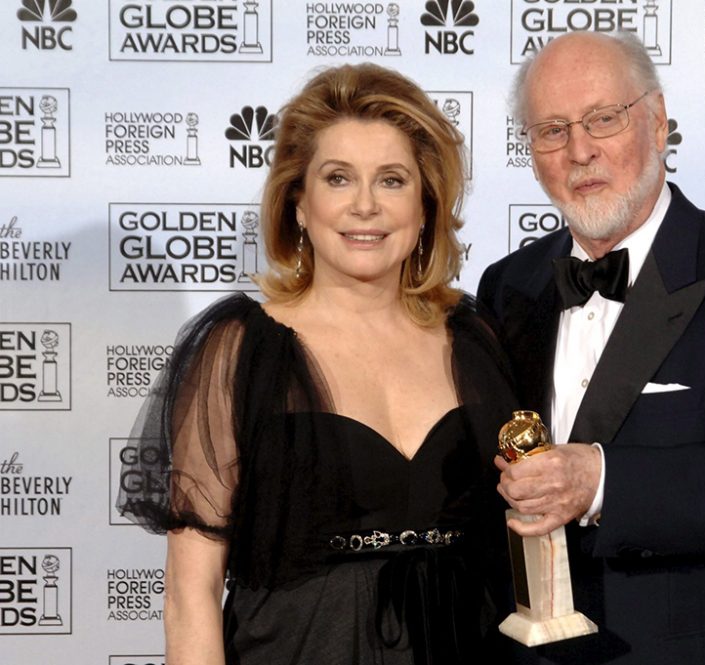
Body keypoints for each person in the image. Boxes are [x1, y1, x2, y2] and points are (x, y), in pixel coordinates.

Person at [119, 63, 516, 665]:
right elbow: (189, 593)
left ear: (426, 205)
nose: (365, 205)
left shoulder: (475, 336)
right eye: (338, 179)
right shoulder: (241, 351)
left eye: (391, 180)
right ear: (298, 204)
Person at [478, 31, 705, 664]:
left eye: (603, 119)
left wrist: (601, 480)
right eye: (551, 130)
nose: (580, 151)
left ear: (659, 119)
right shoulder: (508, 285)